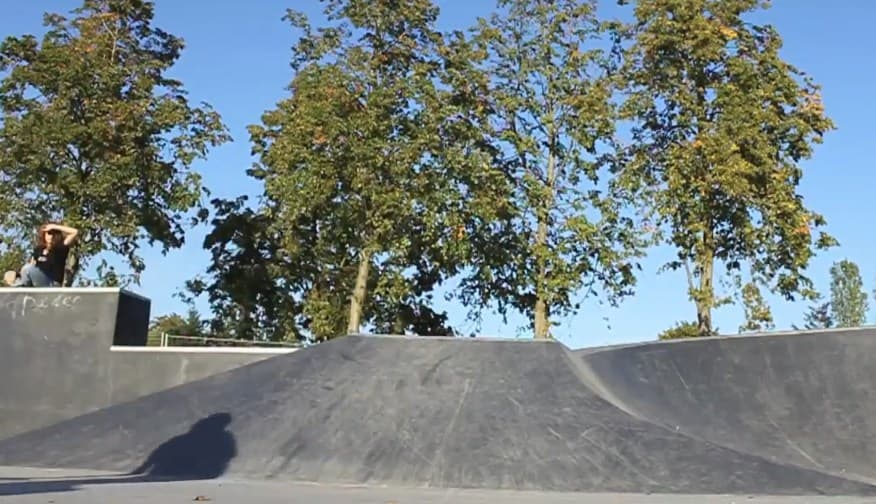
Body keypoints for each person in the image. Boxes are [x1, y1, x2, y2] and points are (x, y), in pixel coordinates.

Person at [3, 222, 79, 287]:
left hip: (53, 284)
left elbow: (75, 232)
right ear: (45, 235)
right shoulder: (38, 250)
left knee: (27, 268)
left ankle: (20, 289)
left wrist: (54, 226)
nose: (51, 236)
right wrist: (17, 275)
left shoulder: (61, 247)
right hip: (38, 282)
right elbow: (31, 267)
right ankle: (20, 289)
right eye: (49, 233)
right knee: (25, 269)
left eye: (54, 234)